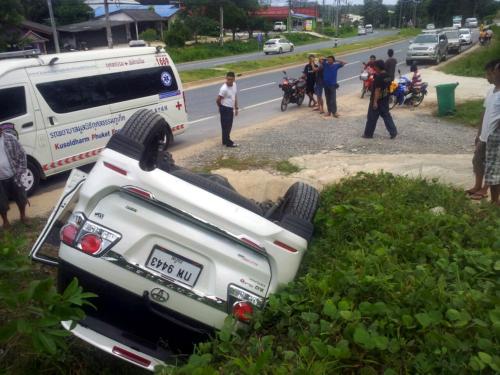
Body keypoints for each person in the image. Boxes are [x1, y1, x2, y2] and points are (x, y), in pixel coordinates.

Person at [467, 60, 500, 200]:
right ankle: (478, 186)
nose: (488, 76)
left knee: (492, 166)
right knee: (477, 160)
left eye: (490, 73)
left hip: (494, 136)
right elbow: (484, 113)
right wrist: (479, 133)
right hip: (485, 136)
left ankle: (488, 193)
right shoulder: (491, 92)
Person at [0, 124, 28, 229]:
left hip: (14, 175)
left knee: (21, 198)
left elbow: (22, 154)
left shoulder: (10, 138)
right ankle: (6, 222)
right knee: (1, 203)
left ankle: (23, 216)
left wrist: (20, 172)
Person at [362, 60, 398, 139]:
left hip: (377, 100)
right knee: (387, 116)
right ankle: (393, 132)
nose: (374, 68)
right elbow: (388, 87)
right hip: (385, 99)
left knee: (371, 118)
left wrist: (375, 102)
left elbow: (377, 90)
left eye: (375, 67)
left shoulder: (379, 77)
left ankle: (368, 134)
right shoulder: (388, 76)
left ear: (378, 67)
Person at [482, 60, 500, 204]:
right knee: (493, 169)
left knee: (493, 170)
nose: (493, 73)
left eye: (495, 71)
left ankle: (494, 203)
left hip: (496, 135)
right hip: (491, 135)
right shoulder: (494, 92)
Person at [216, 71, 239, 148]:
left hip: (230, 108)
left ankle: (224, 141)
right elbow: (218, 99)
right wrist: (221, 107)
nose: (229, 81)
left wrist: (236, 108)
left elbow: (235, 96)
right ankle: (228, 142)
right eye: (228, 79)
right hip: (225, 109)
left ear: (234, 79)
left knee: (227, 126)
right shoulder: (224, 89)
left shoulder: (234, 85)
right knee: (227, 126)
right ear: (226, 78)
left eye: (231, 79)